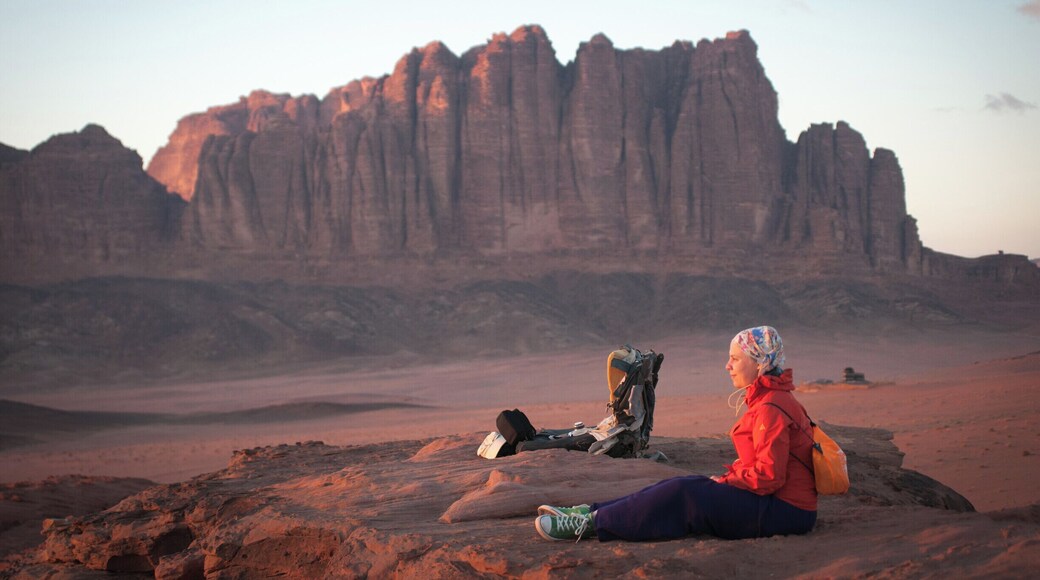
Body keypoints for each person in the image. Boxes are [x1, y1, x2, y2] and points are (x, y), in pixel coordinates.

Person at [534, 326, 817, 542]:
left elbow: (769, 476)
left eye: (735, 359)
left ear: (758, 363)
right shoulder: (773, 398)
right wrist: (725, 482)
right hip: (781, 505)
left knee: (685, 493)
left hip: (785, 511)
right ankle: (590, 512)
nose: (727, 366)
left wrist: (728, 481)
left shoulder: (771, 407)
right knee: (685, 483)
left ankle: (591, 526)